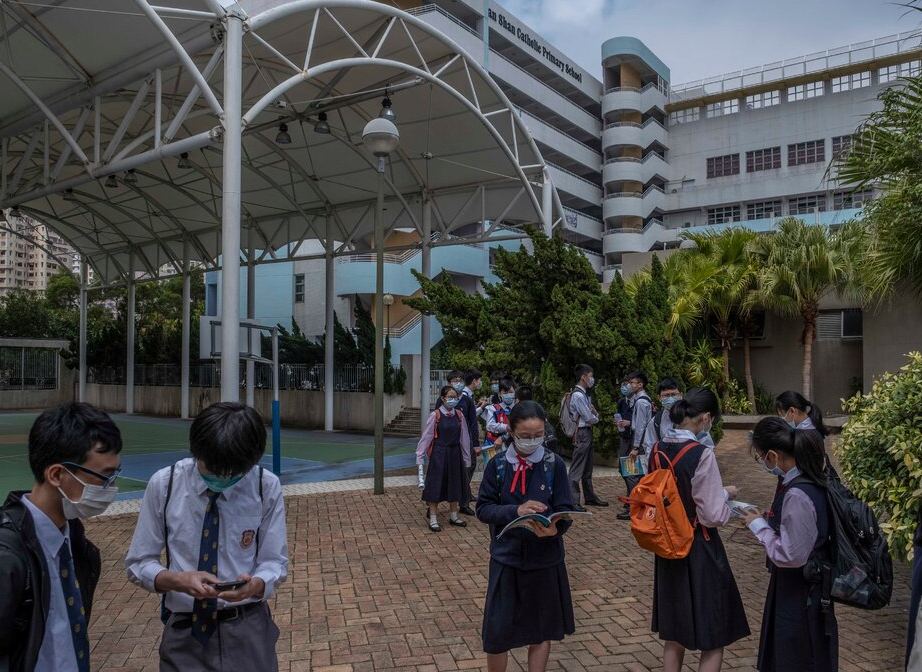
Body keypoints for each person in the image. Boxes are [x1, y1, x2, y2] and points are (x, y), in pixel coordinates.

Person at [125, 402, 289, 672]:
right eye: (211, 467)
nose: (221, 477)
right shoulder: (165, 485)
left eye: (233, 472)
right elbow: (139, 562)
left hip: (248, 628)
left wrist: (257, 584)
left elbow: (275, 562)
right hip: (185, 632)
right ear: (196, 450)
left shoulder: (264, 485)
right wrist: (177, 580)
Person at [0, 403, 122, 672]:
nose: (110, 488)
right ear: (57, 475)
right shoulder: (7, 556)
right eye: (104, 477)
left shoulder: (74, 542)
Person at [650, 387, 749, 672]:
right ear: (705, 417)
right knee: (714, 634)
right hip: (699, 548)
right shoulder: (701, 454)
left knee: (674, 632)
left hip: (668, 546)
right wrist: (727, 497)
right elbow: (712, 515)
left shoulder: (657, 449)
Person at [476, 401, 575, 672]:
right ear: (511, 431)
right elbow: (483, 508)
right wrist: (515, 510)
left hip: (545, 560)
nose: (533, 441)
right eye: (525, 436)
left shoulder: (553, 464)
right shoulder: (497, 464)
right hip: (507, 559)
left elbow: (566, 508)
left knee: (541, 630)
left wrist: (556, 528)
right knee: (497, 632)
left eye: (538, 434)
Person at [742, 416, 837, 672]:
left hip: (799, 588)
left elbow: (791, 554)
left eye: (760, 457)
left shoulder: (796, 492)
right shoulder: (809, 478)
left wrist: (758, 527)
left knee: (795, 655)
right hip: (807, 585)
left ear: (773, 455)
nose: (762, 463)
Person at [417, 385, 473, 531]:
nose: (453, 399)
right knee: (435, 485)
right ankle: (433, 518)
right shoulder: (435, 415)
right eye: (450, 396)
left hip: (455, 454)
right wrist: (420, 456)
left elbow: (464, 438)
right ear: (442, 398)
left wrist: (467, 458)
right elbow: (426, 437)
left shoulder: (459, 416)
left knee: (455, 484)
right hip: (439, 454)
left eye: (455, 397)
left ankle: (454, 516)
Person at [568, 364, 606, 512]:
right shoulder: (578, 395)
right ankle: (573, 500)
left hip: (586, 432)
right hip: (583, 432)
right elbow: (589, 416)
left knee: (587, 467)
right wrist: (596, 417)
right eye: (590, 376)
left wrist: (594, 416)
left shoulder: (582, 394)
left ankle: (590, 496)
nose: (592, 379)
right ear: (583, 377)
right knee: (577, 468)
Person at [617, 371, 652, 520]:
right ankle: (635, 503)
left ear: (640, 385)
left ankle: (634, 507)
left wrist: (636, 447)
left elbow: (640, 427)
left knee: (632, 474)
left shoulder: (641, 402)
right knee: (632, 473)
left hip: (638, 442)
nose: (629, 385)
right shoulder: (639, 400)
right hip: (637, 441)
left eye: (632, 383)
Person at [458, 369, 486, 515]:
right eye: (479, 380)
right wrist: (481, 408)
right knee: (467, 467)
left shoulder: (467, 396)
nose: (480, 383)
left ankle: (466, 493)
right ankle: (463, 499)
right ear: (474, 381)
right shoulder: (463, 397)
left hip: (468, 438)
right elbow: (469, 419)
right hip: (465, 439)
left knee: (470, 465)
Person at [515, 385, 558, 453]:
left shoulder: (521, 412)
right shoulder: (538, 407)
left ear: (517, 399)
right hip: (550, 437)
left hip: (539, 442)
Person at [485, 377, 516, 448]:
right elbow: (490, 426)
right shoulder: (493, 408)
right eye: (505, 393)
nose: (508, 395)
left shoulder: (519, 408)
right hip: (496, 445)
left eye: (511, 392)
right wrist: (506, 427)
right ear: (500, 393)